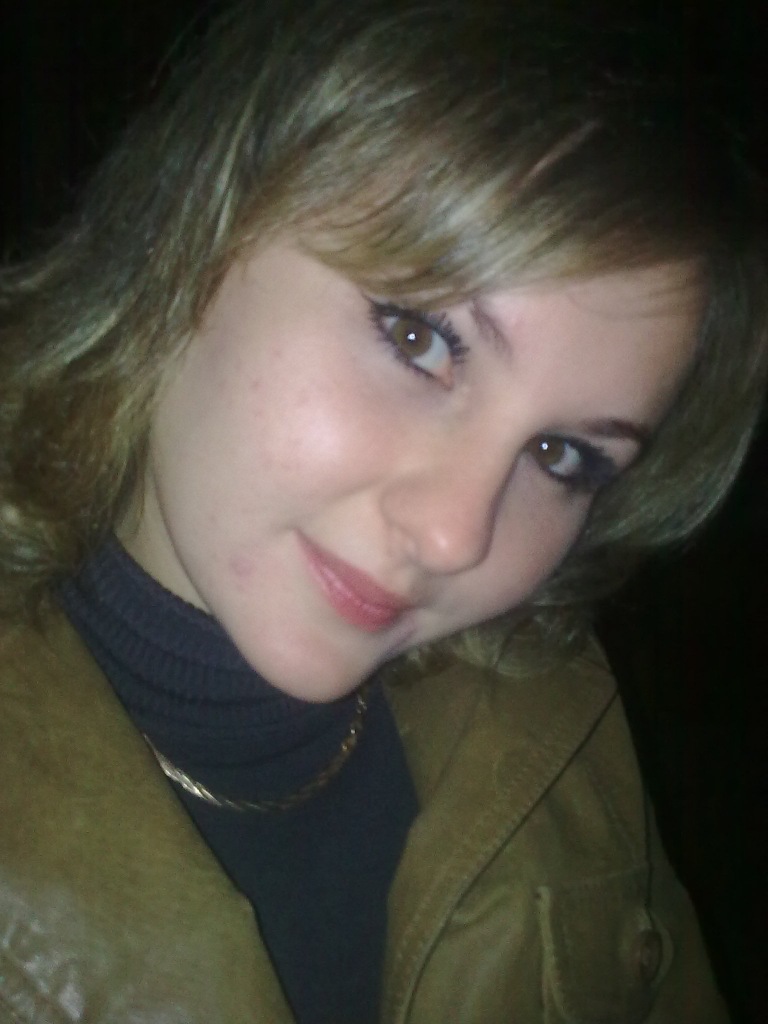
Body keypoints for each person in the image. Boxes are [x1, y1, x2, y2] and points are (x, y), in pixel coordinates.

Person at [0, 1, 765, 1021]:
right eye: (420, 340)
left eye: (562, 456)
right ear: (201, 218)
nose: (455, 535)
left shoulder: (548, 721)